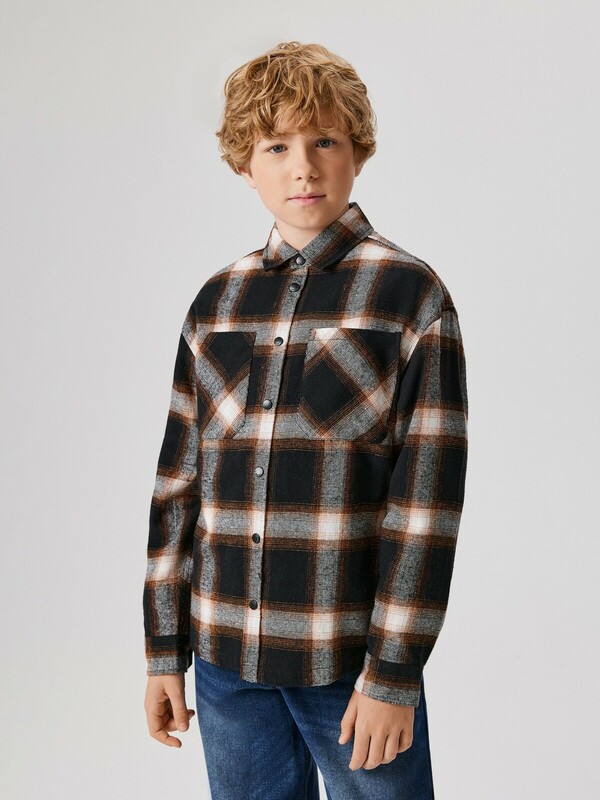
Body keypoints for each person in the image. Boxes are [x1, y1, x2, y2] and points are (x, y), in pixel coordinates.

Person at [143, 40, 468, 800]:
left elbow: (425, 505)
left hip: (348, 665)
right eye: (276, 146)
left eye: (325, 141)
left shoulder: (409, 296)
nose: (303, 167)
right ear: (243, 164)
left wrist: (393, 673)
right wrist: (164, 651)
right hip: (225, 663)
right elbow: (178, 487)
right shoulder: (216, 303)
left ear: (358, 151)